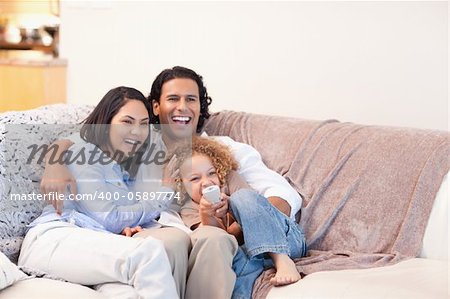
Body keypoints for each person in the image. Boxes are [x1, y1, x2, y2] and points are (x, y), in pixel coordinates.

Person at [40, 66, 303, 299]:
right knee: (169, 244)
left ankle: (276, 257)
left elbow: (280, 195)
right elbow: (89, 142)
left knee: (214, 238)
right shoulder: (137, 149)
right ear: (156, 106)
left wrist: (243, 228)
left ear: (201, 107)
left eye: (191, 99)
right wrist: (56, 158)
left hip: (226, 236)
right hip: (168, 235)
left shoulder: (222, 150)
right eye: (173, 99)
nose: (182, 107)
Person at [19, 86, 178, 299]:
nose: (137, 132)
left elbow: (114, 219)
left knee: (129, 293)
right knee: (148, 253)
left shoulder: (119, 167)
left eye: (144, 124)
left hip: (89, 241)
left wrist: (129, 226)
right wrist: (165, 192)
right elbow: (109, 218)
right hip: (55, 239)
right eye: (127, 121)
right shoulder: (84, 151)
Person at [170, 136, 307, 298]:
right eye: (195, 178)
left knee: (242, 197)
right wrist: (207, 215)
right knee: (229, 265)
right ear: (182, 186)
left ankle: (281, 259)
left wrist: (232, 207)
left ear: (220, 171)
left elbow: (253, 207)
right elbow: (221, 242)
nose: (206, 182)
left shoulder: (230, 179)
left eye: (211, 173)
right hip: (251, 258)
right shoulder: (188, 209)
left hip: (284, 240)